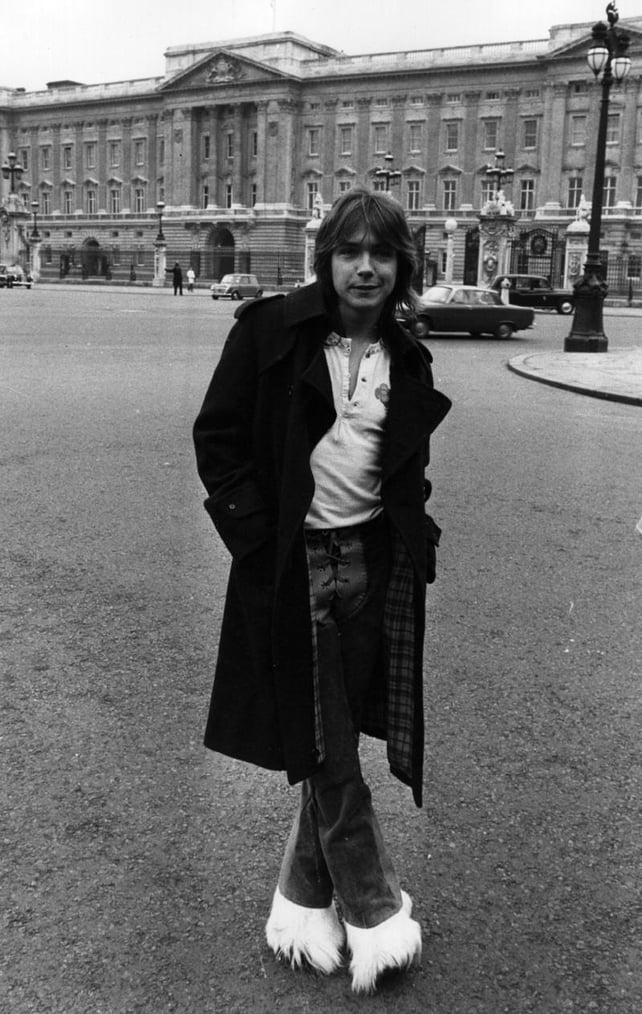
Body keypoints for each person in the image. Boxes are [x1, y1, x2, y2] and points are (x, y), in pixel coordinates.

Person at [193, 187, 451, 994]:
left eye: (381, 253)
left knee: (326, 734)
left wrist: (417, 532)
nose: (365, 267)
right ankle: (376, 914)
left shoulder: (408, 353)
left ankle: (300, 911)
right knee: (331, 742)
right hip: (292, 564)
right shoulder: (269, 330)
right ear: (327, 259)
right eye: (350, 251)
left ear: (401, 265)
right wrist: (259, 541)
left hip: (370, 562)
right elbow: (218, 438)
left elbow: (405, 463)